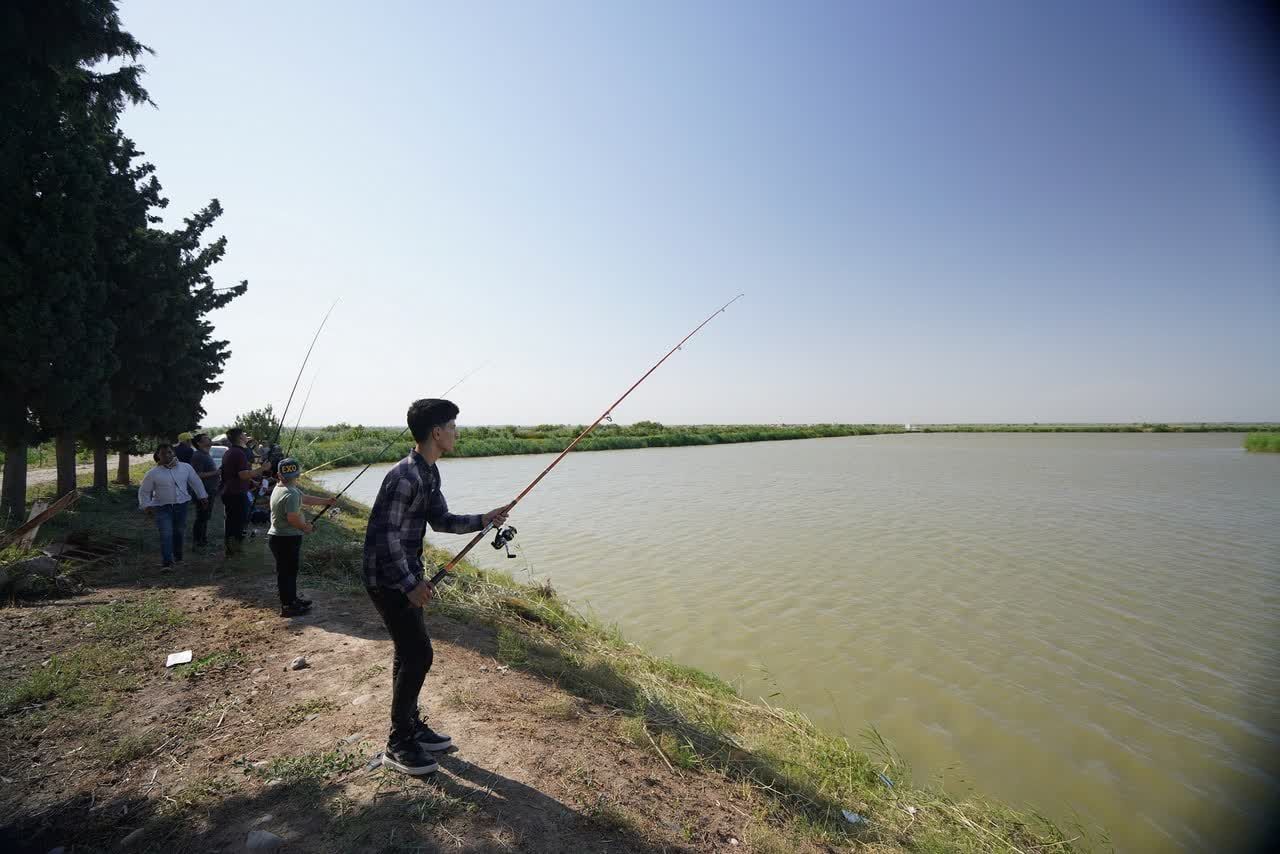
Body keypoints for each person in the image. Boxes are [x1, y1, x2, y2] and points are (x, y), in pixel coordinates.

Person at [362, 398, 513, 776]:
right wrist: (411, 584)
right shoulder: (405, 476)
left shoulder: (429, 473)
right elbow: (386, 537)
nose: (456, 432)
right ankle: (398, 744)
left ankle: (409, 727)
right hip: (388, 579)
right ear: (436, 432)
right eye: (453, 426)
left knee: (408, 652)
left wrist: (485, 518)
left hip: (403, 577)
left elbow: (442, 520)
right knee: (419, 655)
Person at [268, 457, 337, 617]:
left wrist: (326, 501)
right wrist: (306, 527)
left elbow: (304, 498)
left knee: (289, 572)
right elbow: (292, 518)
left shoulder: (282, 488)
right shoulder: (291, 493)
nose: (293, 478)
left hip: (279, 538)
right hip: (286, 539)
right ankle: (287, 606)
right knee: (287, 573)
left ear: (279, 475)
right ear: (297, 475)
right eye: (292, 475)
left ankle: (292, 600)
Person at [138, 442, 209, 569]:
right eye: (163, 453)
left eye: (169, 452)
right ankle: (167, 562)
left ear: (174, 453)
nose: (167, 455)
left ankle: (178, 558)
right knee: (166, 533)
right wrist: (146, 505)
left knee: (179, 532)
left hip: (181, 505)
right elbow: (144, 491)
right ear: (158, 456)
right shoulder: (153, 473)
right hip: (162, 507)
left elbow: (196, 482)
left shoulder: (185, 467)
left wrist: (202, 496)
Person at [220, 427, 270, 556]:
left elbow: (233, 474)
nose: (246, 436)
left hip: (231, 491)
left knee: (233, 521)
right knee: (238, 523)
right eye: (244, 434)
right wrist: (262, 468)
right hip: (236, 494)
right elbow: (242, 474)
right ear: (240, 438)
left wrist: (252, 482)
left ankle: (232, 548)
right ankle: (234, 550)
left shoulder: (231, 452)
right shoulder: (238, 453)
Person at [189, 433, 221, 549]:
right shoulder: (198, 456)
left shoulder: (205, 454)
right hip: (203, 492)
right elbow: (197, 474)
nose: (209, 440)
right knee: (201, 516)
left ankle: (203, 539)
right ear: (199, 443)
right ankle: (198, 541)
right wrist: (216, 473)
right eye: (206, 439)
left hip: (209, 491)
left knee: (205, 516)